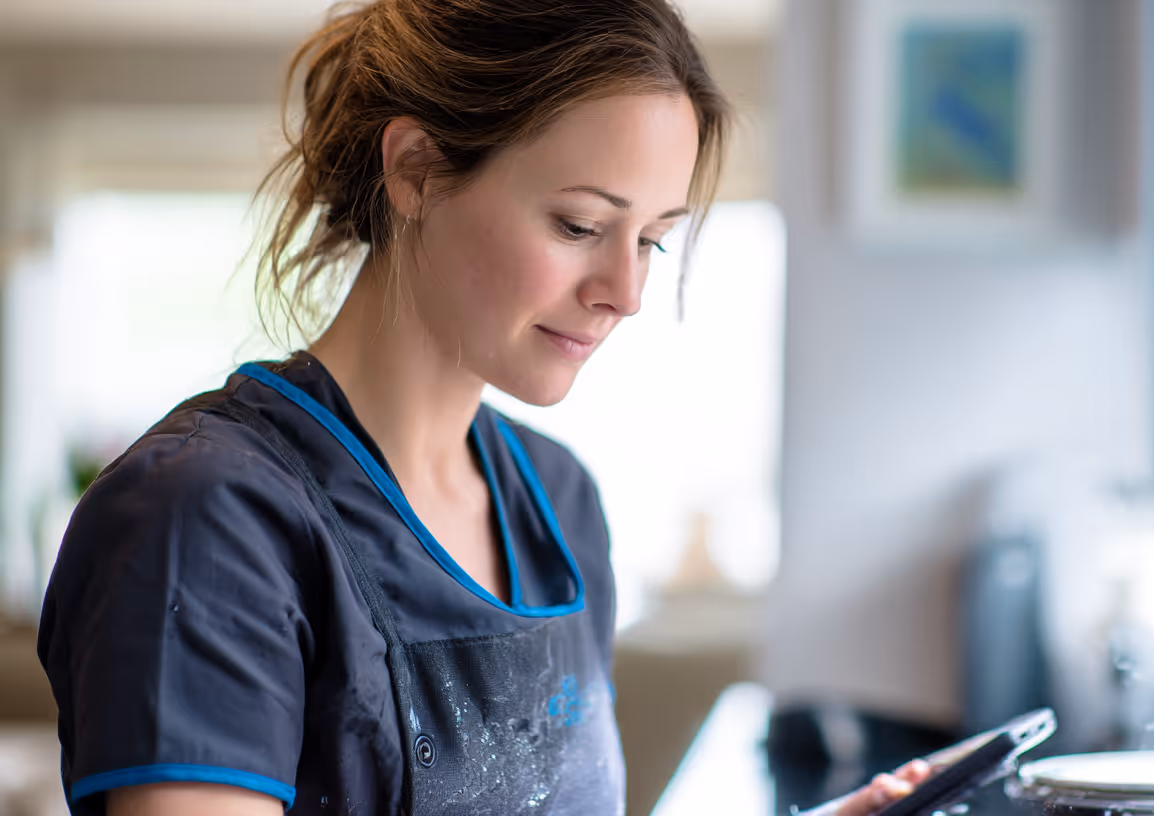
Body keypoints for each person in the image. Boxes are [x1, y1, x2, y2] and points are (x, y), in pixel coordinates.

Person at [35, 1, 932, 814]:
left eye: (653, 240)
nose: (626, 291)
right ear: (417, 170)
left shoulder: (559, 503)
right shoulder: (207, 518)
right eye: (580, 225)